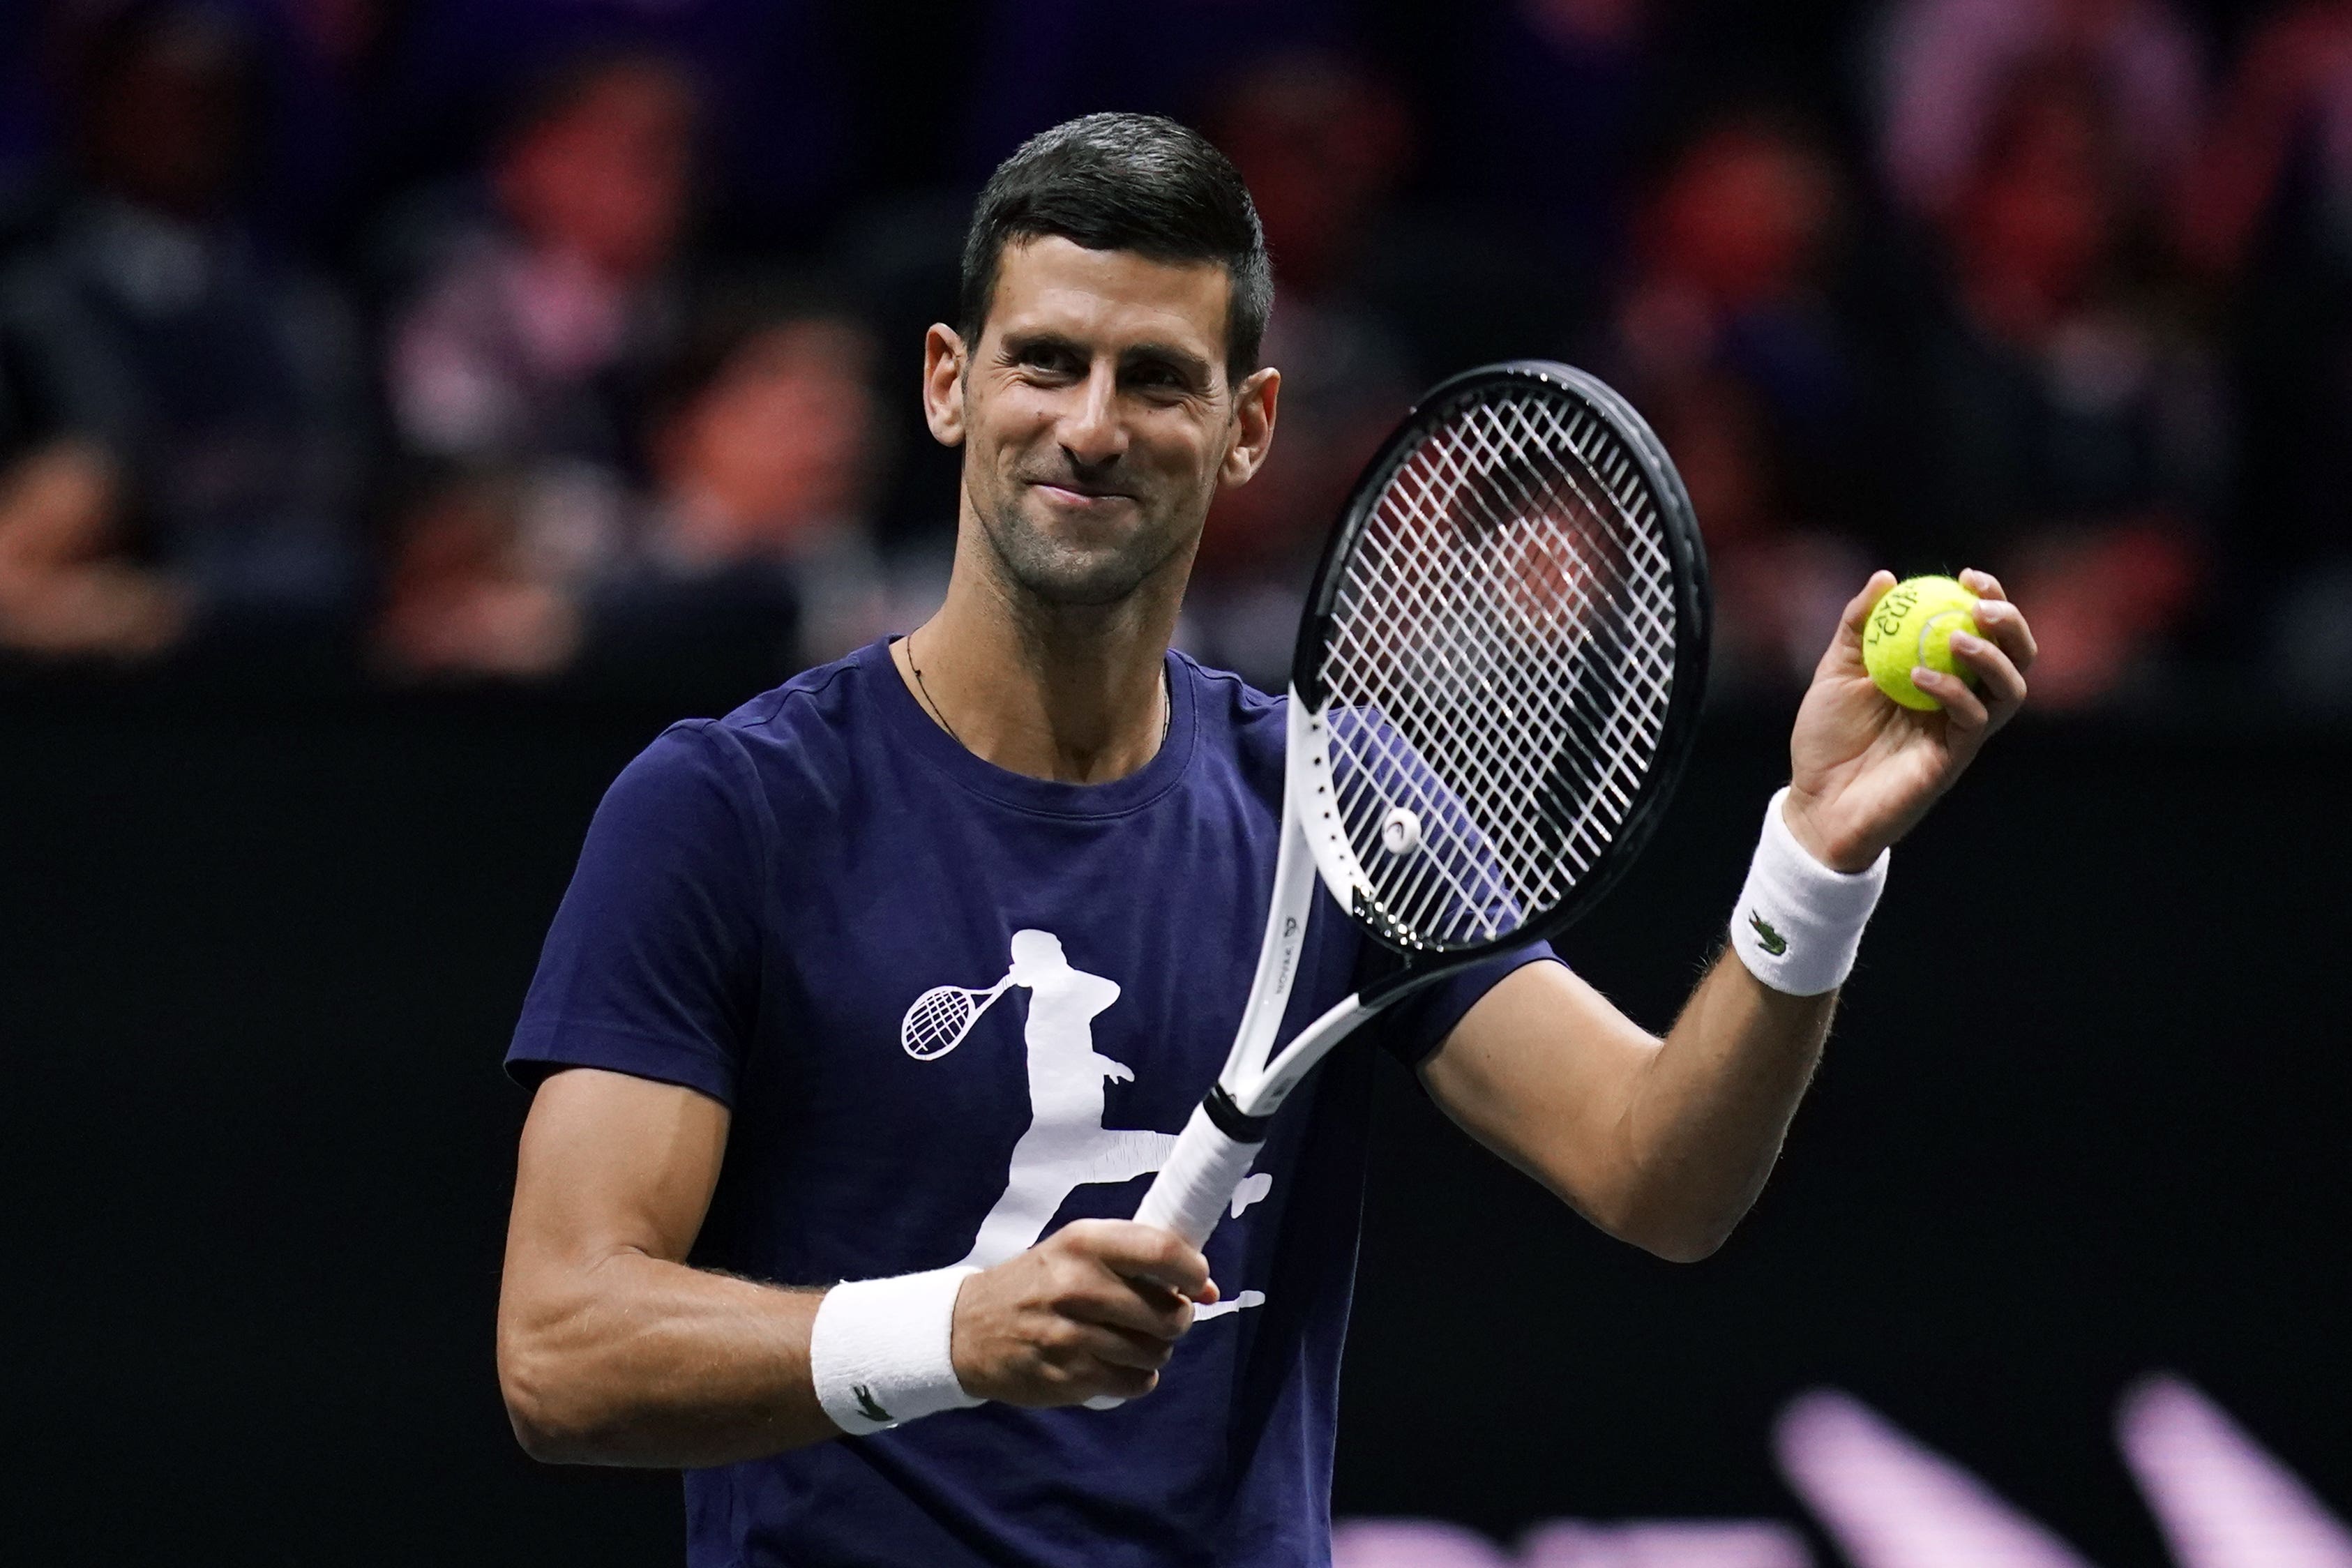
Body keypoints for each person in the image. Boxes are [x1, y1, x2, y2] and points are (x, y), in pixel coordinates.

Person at [495, 114, 2038, 1566]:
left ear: (1248, 425)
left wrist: (1816, 861)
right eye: (1046, 363)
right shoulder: (726, 808)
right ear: (949, 382)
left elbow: (1662, 1176)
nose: (1091, 428)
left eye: (1157, 378)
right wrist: (949, 1335)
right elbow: (561, 1346)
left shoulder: (1335, 799)